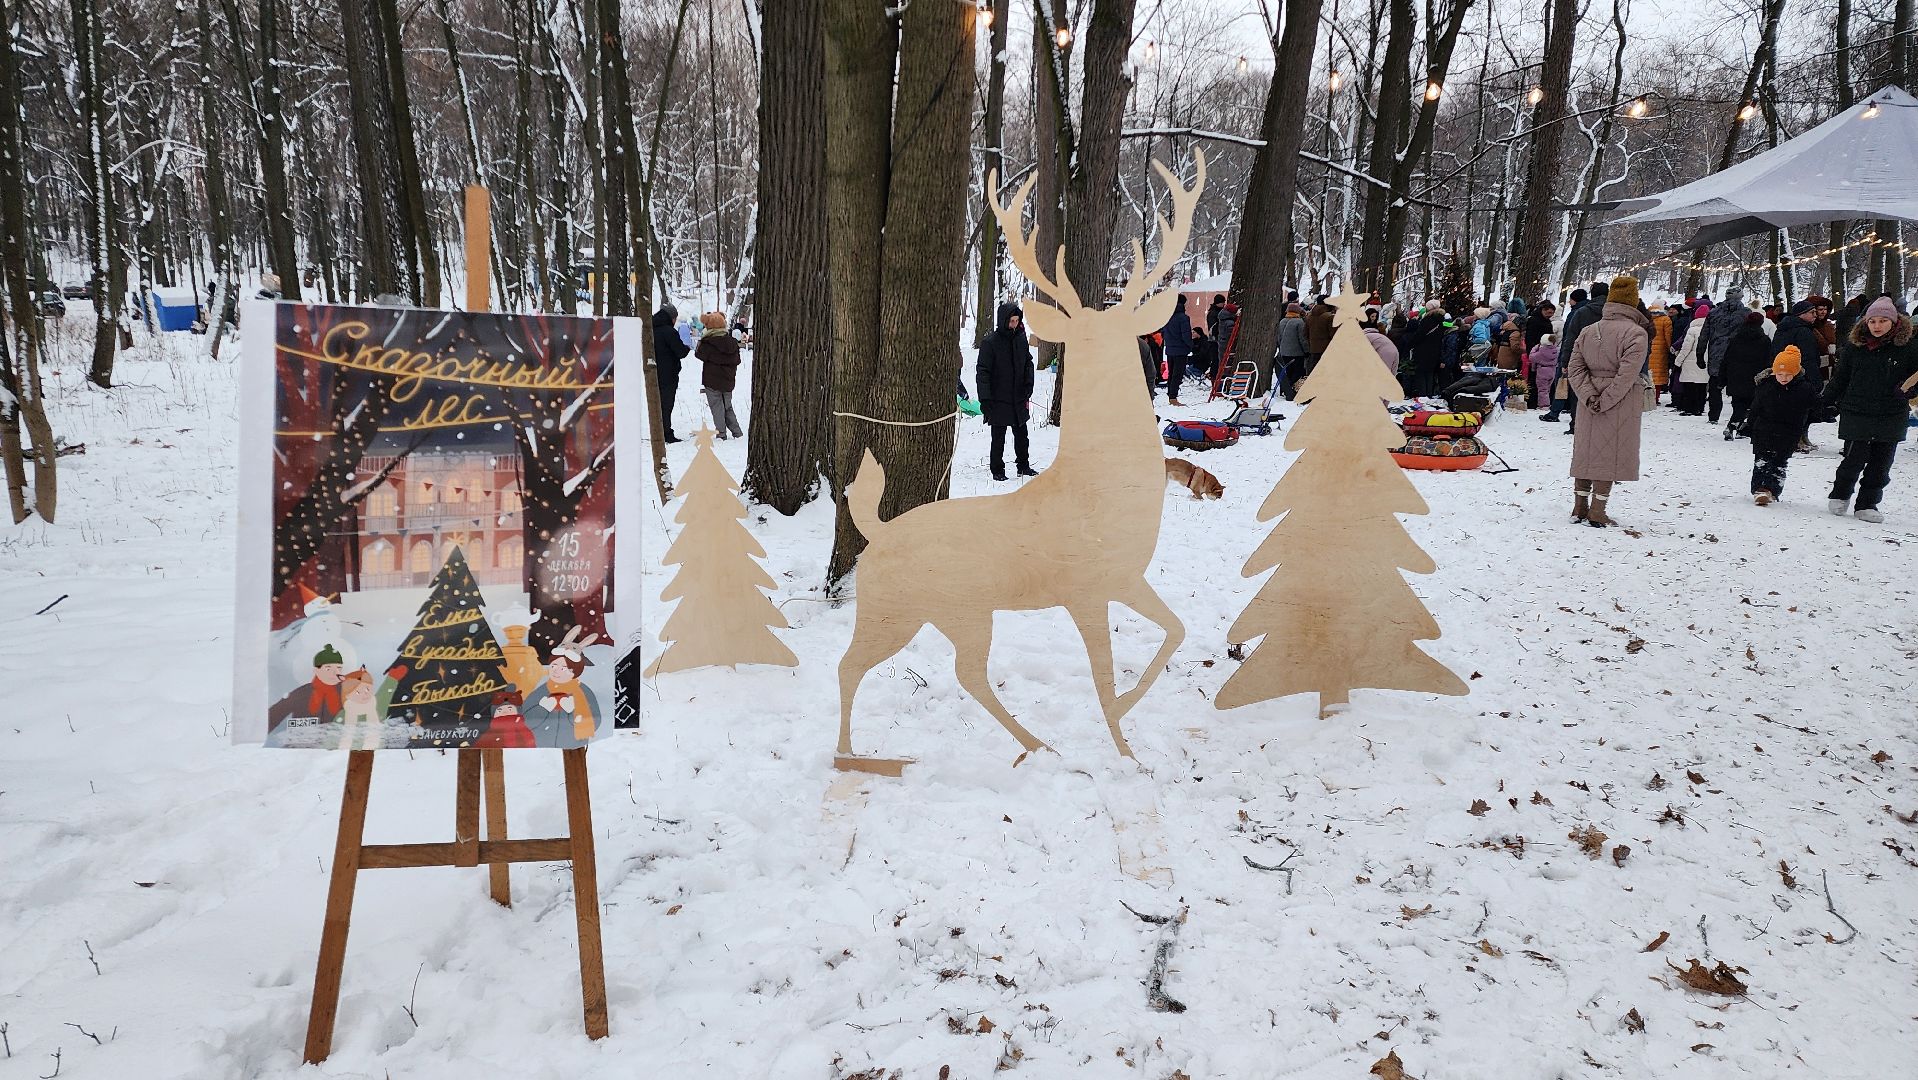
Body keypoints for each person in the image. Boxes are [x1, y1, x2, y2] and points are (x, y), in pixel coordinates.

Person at [1823, 296, 1918, 522]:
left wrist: (1909, 391)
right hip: (1858, 410)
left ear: (1894, 322)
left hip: (1891, 412)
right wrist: (1826, 401)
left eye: (1883, 321)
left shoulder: (1908, 348)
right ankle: (1841, 494)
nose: (1877, 326)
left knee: (1881, 463)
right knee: (1853, 459)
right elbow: (1841, 378)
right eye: (1872, 321)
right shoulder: (1856, 348)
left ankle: (1868, 503)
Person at [1567, 274, 1650, 528]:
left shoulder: (1588, 330)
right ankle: (1598, 510)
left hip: (1587, 397)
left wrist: (1589, 395)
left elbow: (1575, 367)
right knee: (1609, 454)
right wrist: (1606, 399)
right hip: (1620, 400)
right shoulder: (1636, 333)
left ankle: (1579, 506)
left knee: (1586, 451)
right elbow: (1628, 373)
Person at [1746, 346, 1817, 506]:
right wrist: (1749, 424)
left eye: (1788, 374)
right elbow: (1756, 407)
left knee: (1779, 463)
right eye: (1780, 374)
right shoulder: (1766, 386)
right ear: (1773, 372)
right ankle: (1760, 489)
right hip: (1764, 430)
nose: (1783, 378)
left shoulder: (1804, 388)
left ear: (1796, 373)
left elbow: (1814, 406)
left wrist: (1826, 411)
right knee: (1762, 460)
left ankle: (1773, 490)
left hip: (1789, 433)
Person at [978, 301, 1038, 480]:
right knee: (998, 438)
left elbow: (1028, 362)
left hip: (1018, 397)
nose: (1014, 324)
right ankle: (997, 470)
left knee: (1022, 435)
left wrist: (1028, 384)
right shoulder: (990, 342)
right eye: (1011, 321)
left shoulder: (1020, 338)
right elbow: (983, 372)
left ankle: (1023, 466)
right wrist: (985, 399)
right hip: (998, 399)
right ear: (1003, 320)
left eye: (1016, 321)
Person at [1719, 312, 1772, 439]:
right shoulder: (1764, 340)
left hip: (1735, 376)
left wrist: (1722, 379)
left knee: (1738, 404)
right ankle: (1736, 427)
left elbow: (1726, 359)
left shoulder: (1735, 338)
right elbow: (1768, 361)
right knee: (1751, 405)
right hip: (1755, 378)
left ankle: (1737, 427)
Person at [1702, 286, 1749, 424]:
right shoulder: (1746, 314)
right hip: (1737, 355)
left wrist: (1700, 354)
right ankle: (1737, 417)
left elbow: (1704, 336)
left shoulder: (1714, 313)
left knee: (1715, 386)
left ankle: (1713, 416)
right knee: (1737, 387)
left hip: (1716, 353)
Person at [696, 311, 744, 438]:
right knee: (727, 406)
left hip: (712, 380)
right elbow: (737, 360)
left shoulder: (707, 343)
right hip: (728, 380)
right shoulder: (732, 342)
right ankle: (737, 432)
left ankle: (721, 433)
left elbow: (698, 354)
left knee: (717, 407)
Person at [651, 302, 690, 442]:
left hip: (652, 373)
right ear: (671, 317)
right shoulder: (669, 332)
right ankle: (666, 433)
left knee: (656, 404)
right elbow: (680, 352)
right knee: (666, 405)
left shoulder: (650, 329)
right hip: (668, 374)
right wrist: (686, 348)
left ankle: (657, 432)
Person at [1671, 308, 1711, 415]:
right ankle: (1700, 408)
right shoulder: (1712, 329)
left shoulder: (1692, 330)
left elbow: (1685, 348)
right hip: (1705, 363)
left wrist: (1678, 362)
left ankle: (1689, 409)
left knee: (1690, 387)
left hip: (1691, 363)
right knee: (1702, 388)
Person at [1407, 303, 1446, 397]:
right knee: (1430, 374)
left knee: (1421, 374)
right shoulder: (1441, 321)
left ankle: (1423, 396)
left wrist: (1410, 344)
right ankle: (1429, 395)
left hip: (1423, 351)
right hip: (1435, 352)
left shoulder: (1427, 320)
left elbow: (1419, 336)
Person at [1162, 294, 1193, 396]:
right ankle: (1173, 395)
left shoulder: (1167, 316)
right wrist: (1190, 345)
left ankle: (1170, 392)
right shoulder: (1183, 318)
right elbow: (1186, 335)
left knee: (1171, 373)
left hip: (1170, 348)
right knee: (1178, 374)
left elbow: (1164, 332)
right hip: (1181, 349)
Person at [1277, 301, 1310, 398]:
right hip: (1297, 352)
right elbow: (1302, 339)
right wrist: (1307, 350)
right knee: (1298, 372)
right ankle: (1295, 390)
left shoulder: (1282, 321)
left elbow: (1279, 337)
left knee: (1288, 371)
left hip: (1284, 352)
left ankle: (1286, 390)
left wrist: (1281, 347)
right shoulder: (1299, 322)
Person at [1647, 301, 1673, 403]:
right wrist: (1669, 348)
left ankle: (1647, 397)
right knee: (1658, 375)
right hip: (1661, 350)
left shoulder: (1647, 319)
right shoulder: (1665, 320)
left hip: (1648, 348)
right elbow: (1668, 336)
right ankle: (1655, 398)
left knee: (1649, 374)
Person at [1304, 297, 1336, 378]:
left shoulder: (1309, 317)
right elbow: (1334, 336)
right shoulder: (1329, 317)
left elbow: (1305, 334)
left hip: (1313, 351)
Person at [1530, 333, 1560, 409]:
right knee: (1548, 389)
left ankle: (1544, 405)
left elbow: (1532, 357)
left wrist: (1535, 348)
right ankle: (1547, 403)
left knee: (1542, 390)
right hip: (1552, 371)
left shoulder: (1541, 352)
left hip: (1542, 371)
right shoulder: (1556, 350)